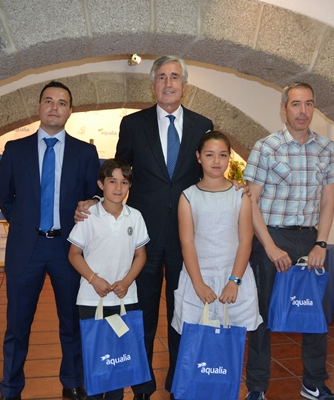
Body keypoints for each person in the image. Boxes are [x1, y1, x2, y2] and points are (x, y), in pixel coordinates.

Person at [76, 55, 213, 400]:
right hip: (143, 239)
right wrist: (97, 198)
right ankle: (143, 384)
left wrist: (234, 188)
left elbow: (208, 174)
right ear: (152, 84)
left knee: (183, 312)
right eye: (162, 77)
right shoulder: (133, 124)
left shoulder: (202, 125)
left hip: (185, 237)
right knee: (143, 314)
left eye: (175, 77)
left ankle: (179, 381)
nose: (168, 83)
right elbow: (119, 170)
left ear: (185, 85)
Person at [0, 81, 99, 400]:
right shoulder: (15, 150)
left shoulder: (85, 152)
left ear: (70, 111)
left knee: (72, 320)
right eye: (49, 101)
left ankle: (73, 381)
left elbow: (94, 194)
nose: (55, 107)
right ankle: (10, 388)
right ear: (39, 107)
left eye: (62, 103)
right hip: (25, 248)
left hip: (67, 248)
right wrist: (24, 222)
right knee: (17, 324)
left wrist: (92, 202)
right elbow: (4, 196)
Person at [243, 82, 334, 400]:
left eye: (309, 104)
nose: (303, 111)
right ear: (284, 108)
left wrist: (321, 244)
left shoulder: (326, 149)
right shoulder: (266, 147)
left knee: (315, 315)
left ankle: (314, 383)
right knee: (262, 316)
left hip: (310, 239)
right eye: (296, 104)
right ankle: (257, 387)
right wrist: (270, 247)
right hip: (272, 236)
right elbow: (251, 202)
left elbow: (328, 201)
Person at [68, 158, 149, 400]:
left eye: (124, 182)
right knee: (96, 356)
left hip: (125, 298)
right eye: (112, 181)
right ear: (100, 184)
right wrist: (94, 279)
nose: (118, 187)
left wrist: (126, 282)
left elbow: (141, 255)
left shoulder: (135, 217)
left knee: (120, 356)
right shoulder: (88, 215)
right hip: (92, 299)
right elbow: (74, 254)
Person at [171, 131, 262, 335]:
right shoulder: (188, 197)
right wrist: (198, 284)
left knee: (232, 343)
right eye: (209, 155)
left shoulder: (240, 195)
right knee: (197, 342)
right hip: (199, 277)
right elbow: (187, 243)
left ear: (230, 157)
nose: (216, 161)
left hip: (234, 277)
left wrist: (234, 281)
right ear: (198, 156)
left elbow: (245, 241)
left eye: (222, 155)